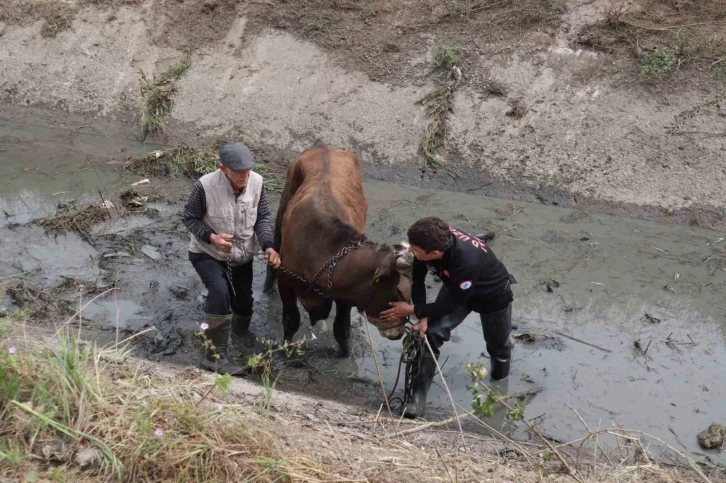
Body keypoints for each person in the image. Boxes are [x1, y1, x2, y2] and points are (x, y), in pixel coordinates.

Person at [381, 217, 514, 419]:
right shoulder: (428, 241)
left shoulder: (468, 261)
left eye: (415, 250)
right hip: (455, 286)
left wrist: (410, 310)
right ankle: (417, 400)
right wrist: (422, 316)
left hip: (492, 294)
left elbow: (449, 306)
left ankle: (499, 384)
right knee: (430, 334)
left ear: (435, 253)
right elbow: (418, 282)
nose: (410, 252)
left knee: (499, 346)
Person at [182, 142, 281, 374]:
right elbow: (189, 218)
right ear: (223, 168)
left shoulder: (257, 183)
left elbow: (263, 217)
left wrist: (269, 246)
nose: (245, 177)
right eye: (239, 173)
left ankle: (240, 335)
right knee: (219, 291)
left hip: (241, 256)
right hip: (207, 253)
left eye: (248, 171)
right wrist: (213, 237)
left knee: (244, 303)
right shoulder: (204, 186)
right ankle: (214, 356)